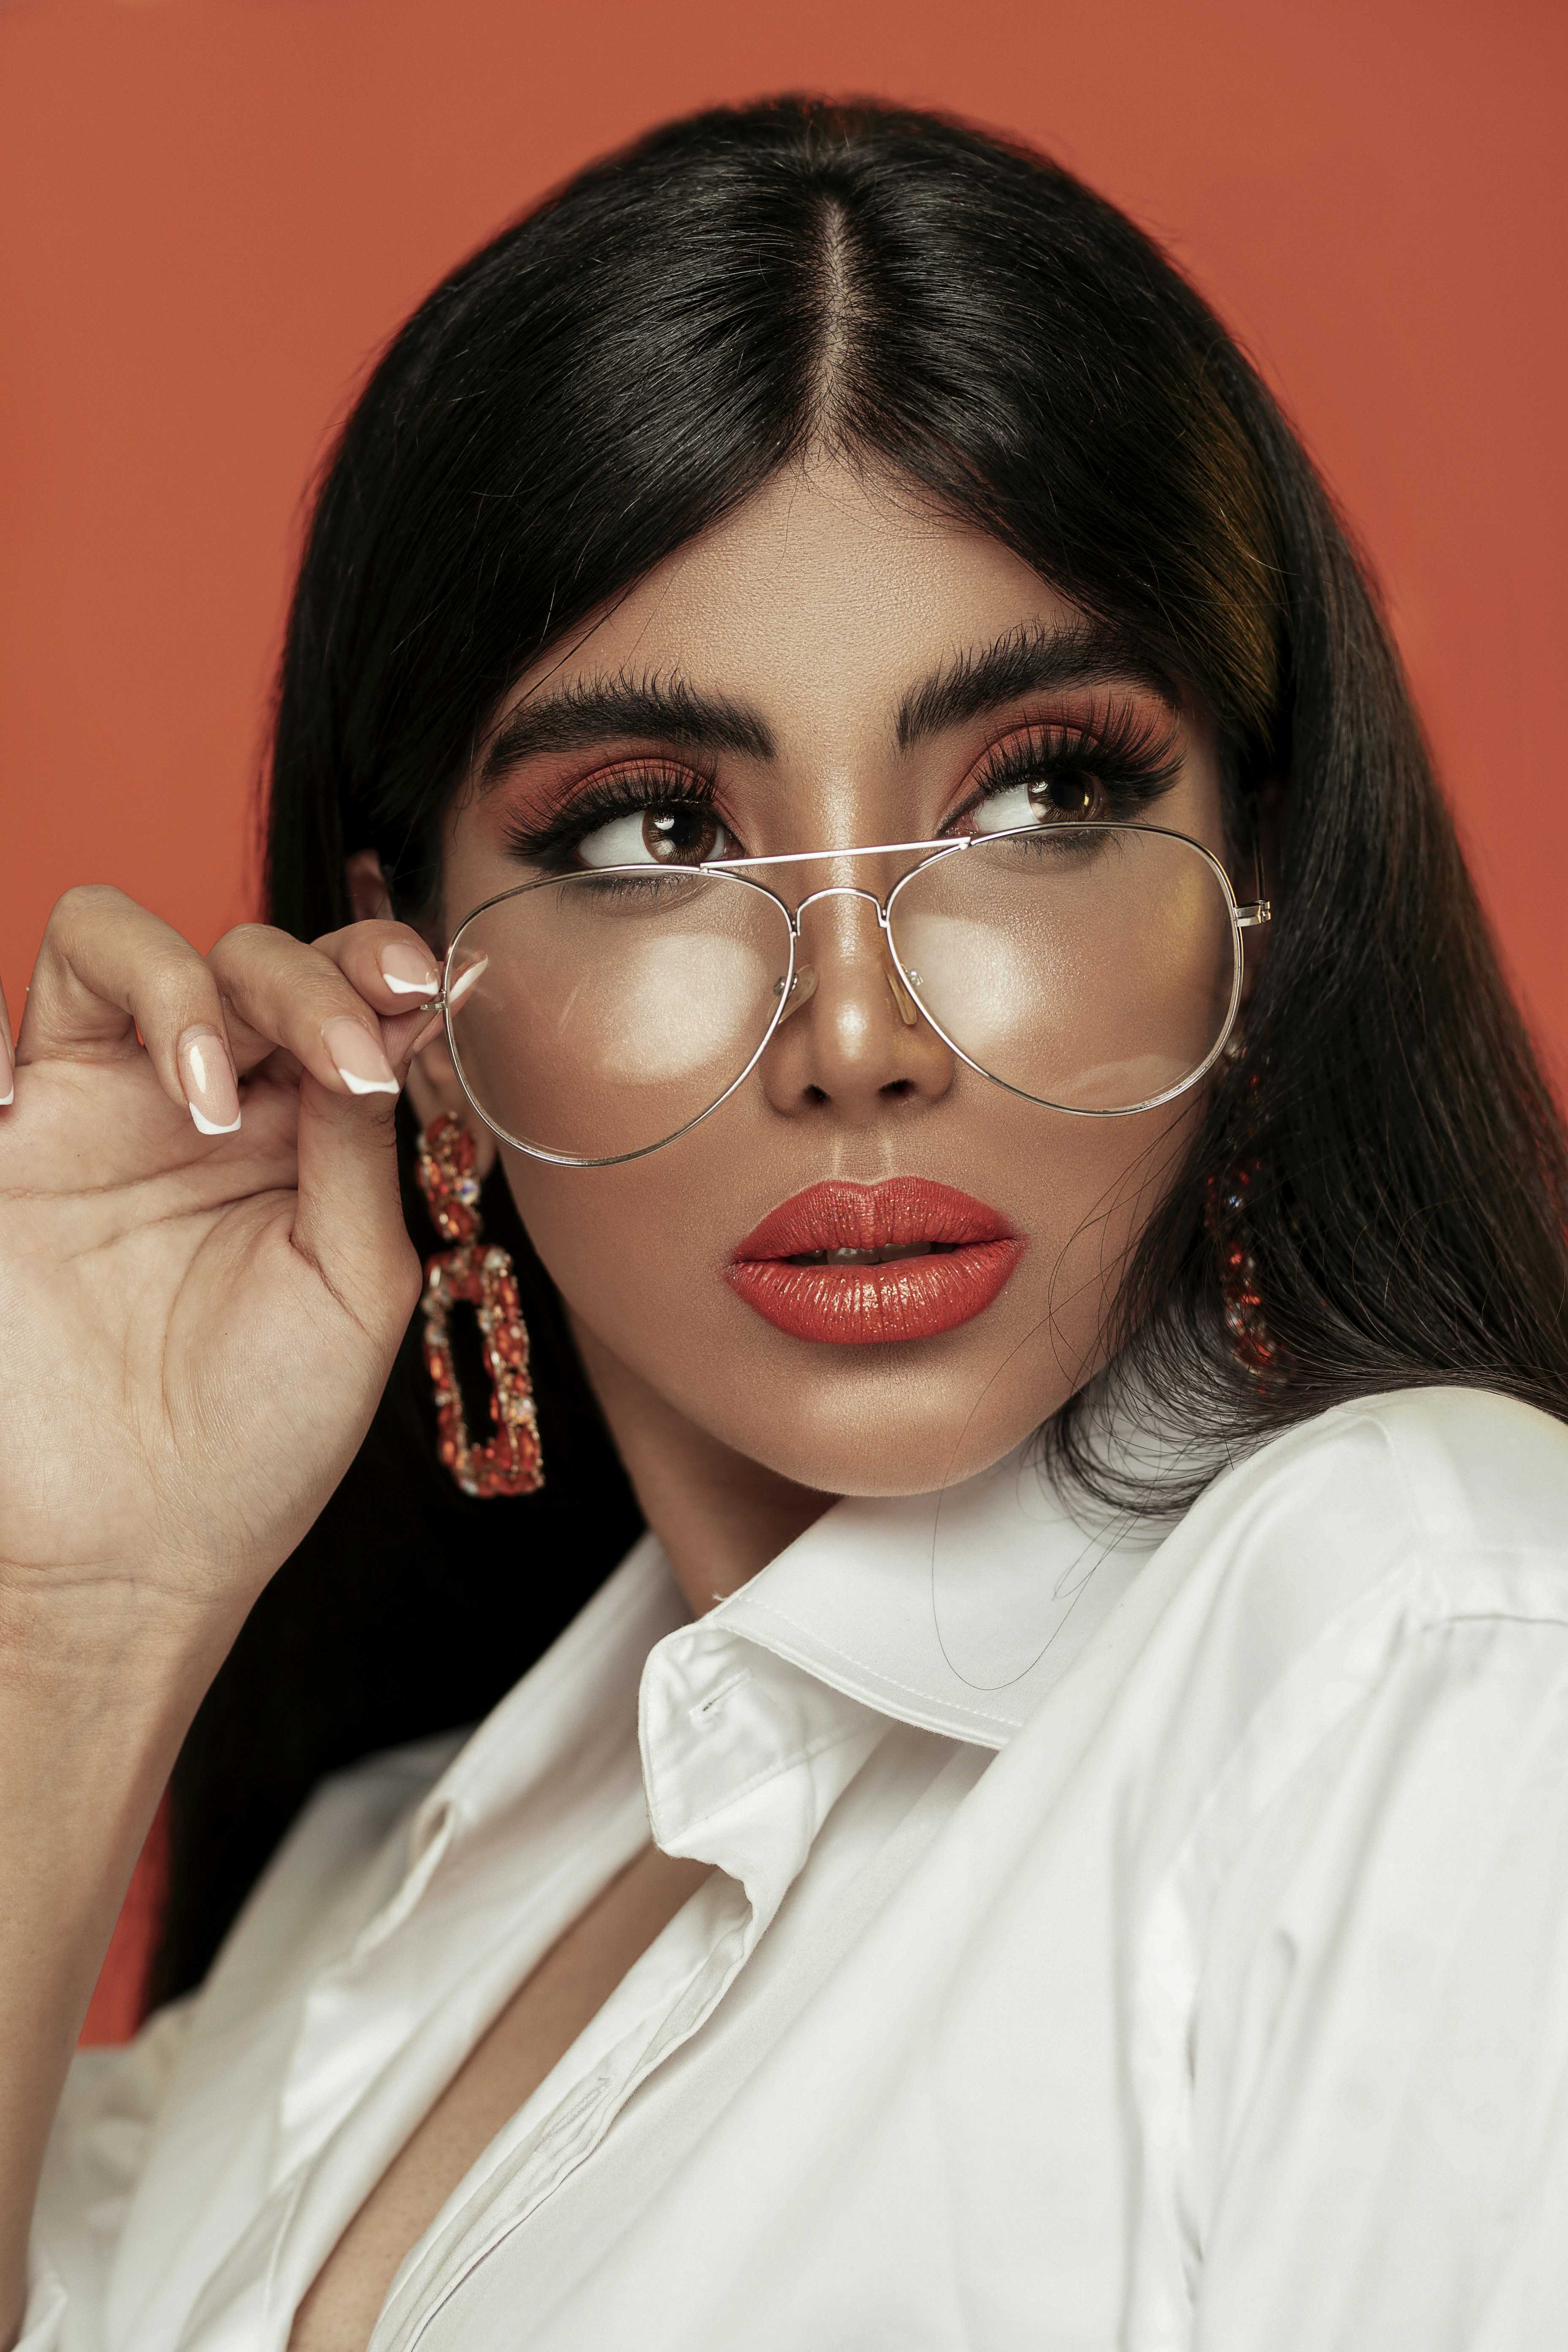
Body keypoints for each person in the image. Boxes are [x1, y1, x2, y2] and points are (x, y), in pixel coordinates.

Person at [3, 95, 1566, 2352]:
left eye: (1040, 799)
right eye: (651, 836)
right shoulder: (374, 1898)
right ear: (418, 996)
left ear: (1261, 894)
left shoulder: (1423, 1644)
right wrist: (66, 1623)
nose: (857, 1031)